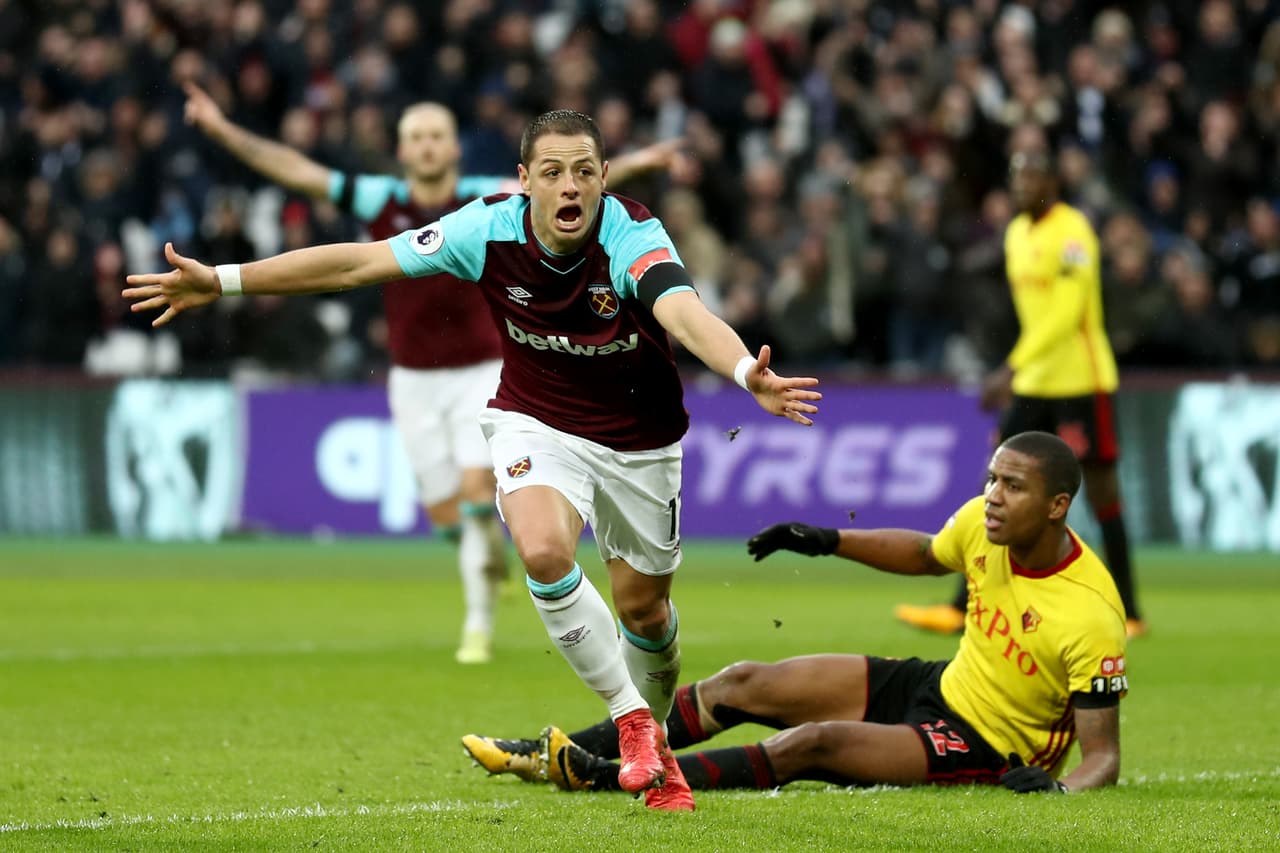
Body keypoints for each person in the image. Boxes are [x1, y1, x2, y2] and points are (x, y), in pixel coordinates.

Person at [123, 109, 822, 811]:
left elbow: (683, 313)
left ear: (604, 177)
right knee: (543, 552)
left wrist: (744, 372)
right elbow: (358, 262)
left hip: (640, 442)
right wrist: (224, 280)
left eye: (584, 171)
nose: (570, 186)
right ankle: (631, 719)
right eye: (552, 172)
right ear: (525, 181)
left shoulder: (632, 234)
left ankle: (658, 741)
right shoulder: (485, 228)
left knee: (645, 612)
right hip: (536, 420)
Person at [182, 83, 687, 664]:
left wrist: (637, 163)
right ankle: (488, 551)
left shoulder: (487, 200)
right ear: (402, 151)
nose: (426, 147)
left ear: (453, 149)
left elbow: (568, 182)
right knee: (448, 516)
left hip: (486, 371)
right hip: (413, 379)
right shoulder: (380, 199)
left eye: (436, 137)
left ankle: (478, 625)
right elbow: (300, 173)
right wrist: (222, 131)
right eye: (416, 138)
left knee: (475, 495)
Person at [463, 431, 1126, 796]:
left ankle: (602, 779)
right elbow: (928, 554)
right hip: (940, 684)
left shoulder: (1089, 612)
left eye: (1013, 486)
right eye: (992, 478)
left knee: (812, 743)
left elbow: (1103, 757)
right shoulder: (985, 524)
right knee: (744, 682)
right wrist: (829, 539)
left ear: (1057, 505)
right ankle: (561, 750)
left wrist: (1060, 791)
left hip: (984, 743)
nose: (993, 496)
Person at [895, 148, 1146, 640]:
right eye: (1016, 176)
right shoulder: (1015, 233)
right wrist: (1018, 366)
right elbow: (1030, 315)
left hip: (1080, 380)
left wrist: (1009, 367)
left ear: (1052, 181)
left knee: (1102, 494)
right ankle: (962, 604)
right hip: (1034, 382)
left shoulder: (1073, 232)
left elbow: (1066, 314)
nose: (1023, 185)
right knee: (995, 485)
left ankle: (1129, 609)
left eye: (1032, 176)